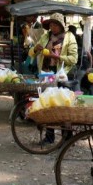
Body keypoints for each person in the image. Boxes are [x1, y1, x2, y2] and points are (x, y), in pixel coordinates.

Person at [33, 14, 78, 145]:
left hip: (62, 76)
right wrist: (36, 48)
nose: (52, 27)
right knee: (48, 106)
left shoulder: (69, 38)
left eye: (55, 24)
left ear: (61, 25)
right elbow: (33, 52)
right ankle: (49, 137)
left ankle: (67, 138)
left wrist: (58, 57)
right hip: (47, 75)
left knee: (64, 107)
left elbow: (74, 59)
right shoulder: (46, 36)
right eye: (51, 24)